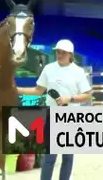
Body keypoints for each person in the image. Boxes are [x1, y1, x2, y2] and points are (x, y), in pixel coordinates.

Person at [17, 39, 92, 180]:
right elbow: (38, 90)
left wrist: (69, 99)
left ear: (70, 54)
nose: (59, 54)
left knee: (68, 157)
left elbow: (87, 95)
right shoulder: (49, 69)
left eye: (63, 52)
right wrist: (16, 90)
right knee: (49, 157)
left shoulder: (78, 72)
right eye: (58, 51)